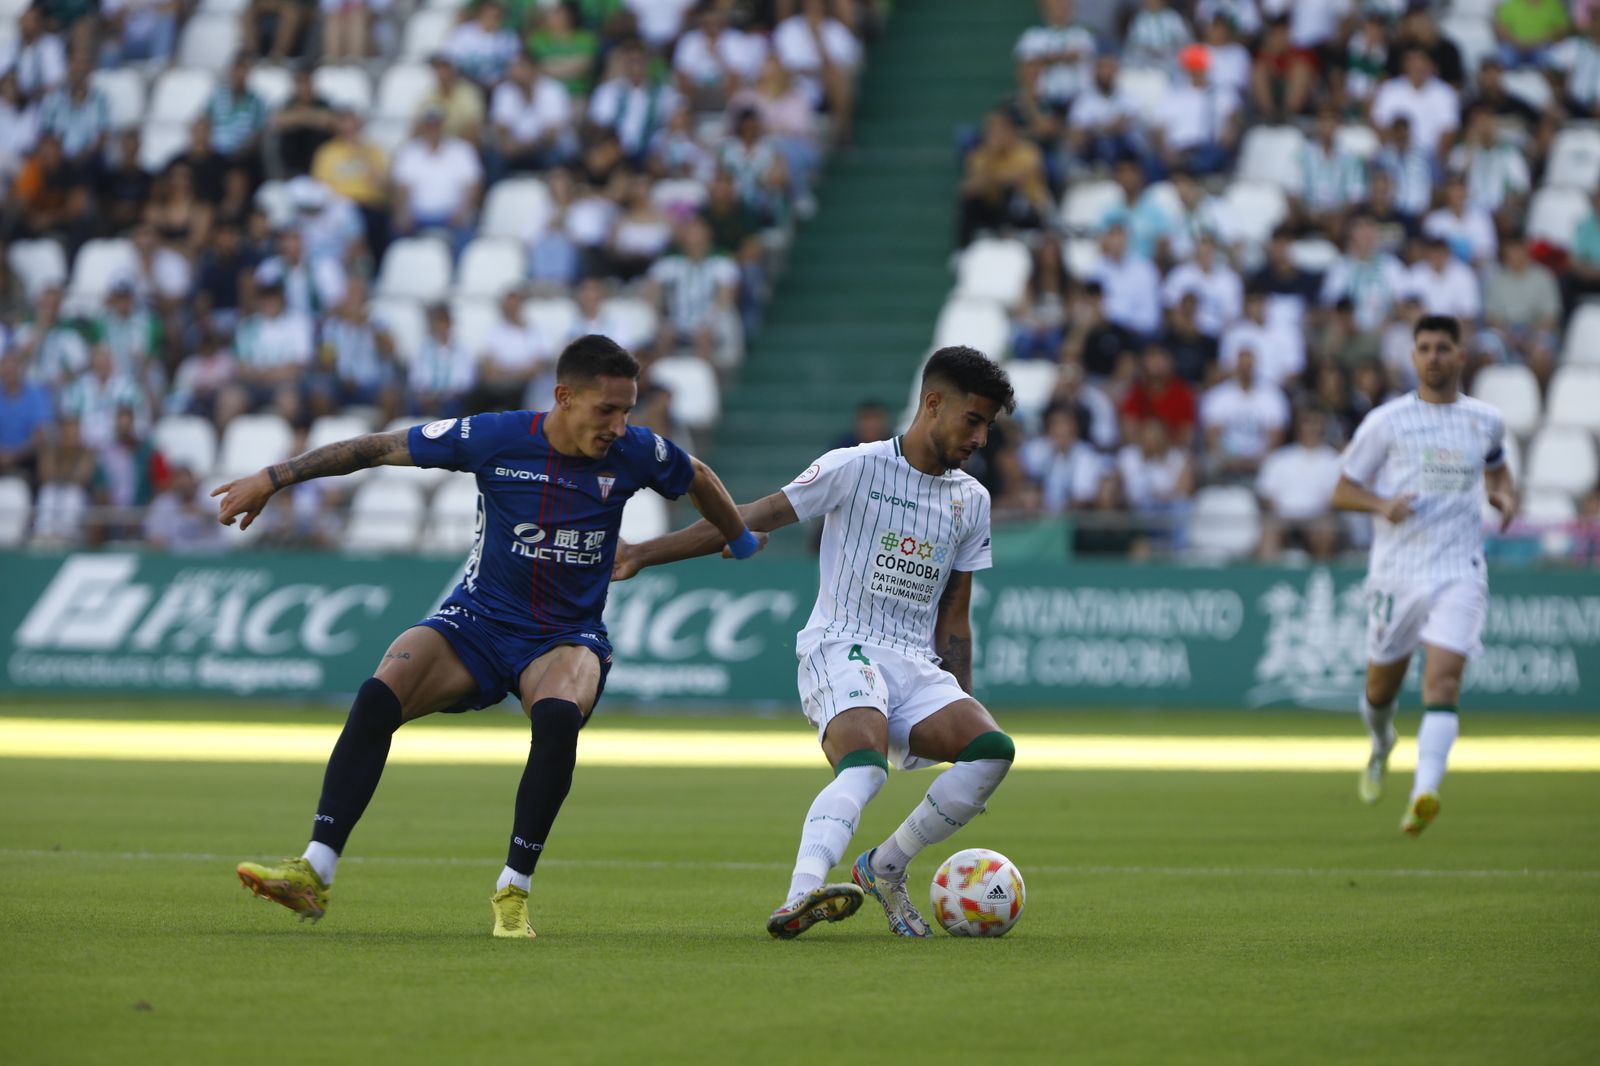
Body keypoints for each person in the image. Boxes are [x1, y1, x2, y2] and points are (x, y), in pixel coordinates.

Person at [224, 335, 762, 936]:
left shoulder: (640, 452)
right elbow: (376, 448)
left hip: (565, 634)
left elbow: (700, 477)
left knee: (557, 717)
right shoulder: (496, 437)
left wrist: (735, 537)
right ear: (563, 397)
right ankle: (314, 870)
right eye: (605, 410)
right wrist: (274, 477)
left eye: (627, 410)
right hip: (476, 622)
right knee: (380, 695)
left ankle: (514, 889)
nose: (619, 425)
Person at [614, 347, 1018, 940]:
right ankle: (801, 895)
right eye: (974, 420)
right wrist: (642, 554)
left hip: (915, 664)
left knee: (992, 750)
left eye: (988, 425)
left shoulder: (971, 500)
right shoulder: (853, 467)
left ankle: (884, 867)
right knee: (866, 768)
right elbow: (746, 515)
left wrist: (960, 699)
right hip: (842, 646)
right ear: (933, 403)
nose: (982, 437)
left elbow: (956, 614)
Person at [1330, 315, 1517, 836]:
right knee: (1379, 688)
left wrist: (1503, 494)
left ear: (1461, 356)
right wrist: (1381, 504)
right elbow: (1342, 488)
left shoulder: (1486, 420)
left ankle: (1424, 791)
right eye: (1425, 348)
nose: (1434, 356)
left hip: (1460, 570)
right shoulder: (1387, 422)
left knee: (1443, 681)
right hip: (1397, 575)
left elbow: (1498, 467)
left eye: (1443, 348)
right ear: (1413, 358)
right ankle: (1381, 744)